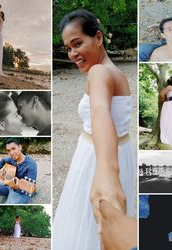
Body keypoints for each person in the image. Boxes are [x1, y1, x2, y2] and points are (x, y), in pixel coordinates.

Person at [53, 9, 135, 250]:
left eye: (77, 44)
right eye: (68, 48)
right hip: (119, 151)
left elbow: (100, 111)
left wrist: (106, 171)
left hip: (97, 157)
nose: (72, 54)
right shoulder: (117, 73)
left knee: (85, 226)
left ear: (98, 38)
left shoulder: (99, 72)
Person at [0, 138, 37, 204]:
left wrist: (14, 186)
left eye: (13, 148)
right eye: (8, 150)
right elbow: (2, 161)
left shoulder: (31, 164)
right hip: (10, 185)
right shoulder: (12, 158)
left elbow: (30, 189)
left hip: (22, 193)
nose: (11, 153)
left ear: (20, 147)